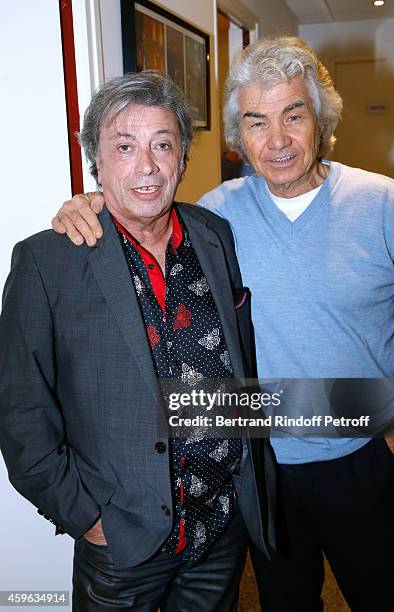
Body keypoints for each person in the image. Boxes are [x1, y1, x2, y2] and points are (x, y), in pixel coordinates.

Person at [54, 37, 394, 611]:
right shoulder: (213, 216)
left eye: (294, 115)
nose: (278, 141)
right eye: (256, 121)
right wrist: (86, 204)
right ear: (238, 136)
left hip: (365, 452)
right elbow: (137, 217)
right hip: (259, 467)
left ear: (320, 118)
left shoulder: (387, 204)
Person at [0, 71, 277, 612]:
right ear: (96, 161)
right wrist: (87, 517)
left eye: (162, 145)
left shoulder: (212, 233)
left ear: (182, 157)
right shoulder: (47, 261)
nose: (146, 166)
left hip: (220, 526)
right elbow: (21, 413)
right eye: (124, 147)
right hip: (122, 543)